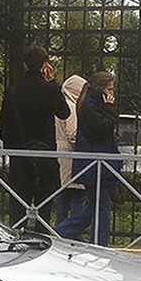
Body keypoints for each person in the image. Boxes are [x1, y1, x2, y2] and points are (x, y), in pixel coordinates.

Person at [0, 46, 71, 228]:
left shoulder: (13, 91)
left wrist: (13, 146)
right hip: (45, 155)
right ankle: (40, 244)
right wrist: (53, 82)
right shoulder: (50, 90)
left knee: (18, 211)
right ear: (44, 65)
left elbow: (4, 127)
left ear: (24, 65)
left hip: (20, 156)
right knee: (43, 211)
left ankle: (16, 244)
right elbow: (64, 113)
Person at [56, 72, 119, 245]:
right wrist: (110, 109)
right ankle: (64, 234)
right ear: (100, 89)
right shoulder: (90, 106)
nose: (111, 94)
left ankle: (63, 234)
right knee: (100, 209)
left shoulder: (90, 103)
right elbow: (101, 129)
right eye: (109, 89)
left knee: (94, 208)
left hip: (96, 164)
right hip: (95, 164)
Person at [55, 74, 88, 223]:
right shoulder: (71, 107)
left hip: (61, 152)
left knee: (64, 195)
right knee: (76, 195)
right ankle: (69, 230)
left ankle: (60, 227)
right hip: (70, 155)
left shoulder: (61, 103)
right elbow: (72, 134)